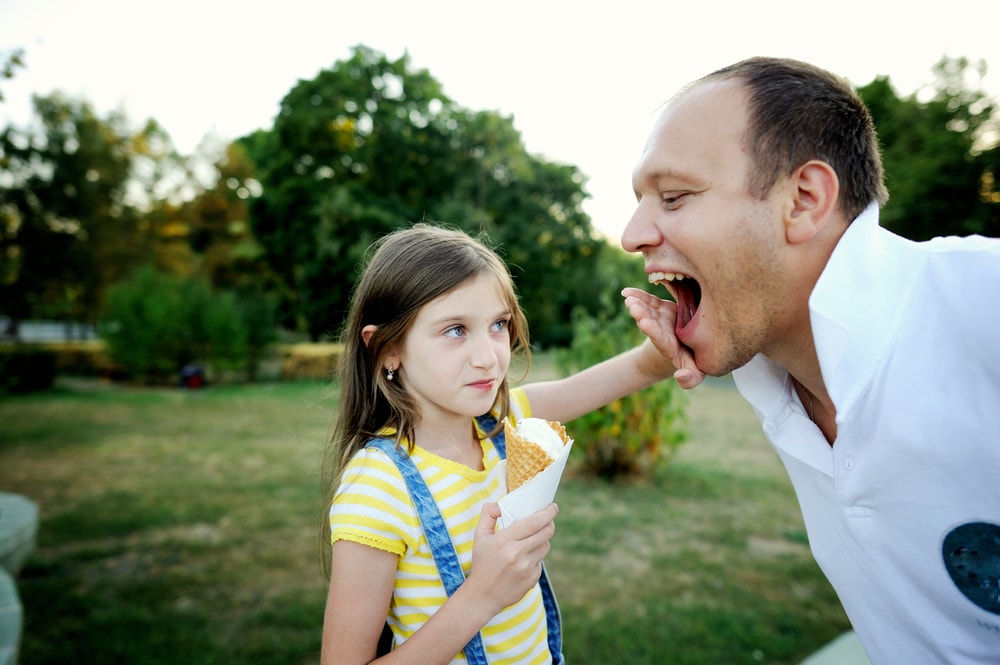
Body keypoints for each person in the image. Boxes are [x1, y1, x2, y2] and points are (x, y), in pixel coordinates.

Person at [620, 56, 1000, 663]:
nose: (632, 233)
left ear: (803, 200)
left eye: (673, 196)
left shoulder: (983, 300)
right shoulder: (768, 360)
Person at [321, 223, 675, 665]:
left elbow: (640, 369)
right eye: (455, 330)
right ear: (386, 350)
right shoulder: (378, 487)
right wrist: (483, 596)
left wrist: (671, 339)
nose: (488, 355)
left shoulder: (504, 423)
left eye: (498, 325)